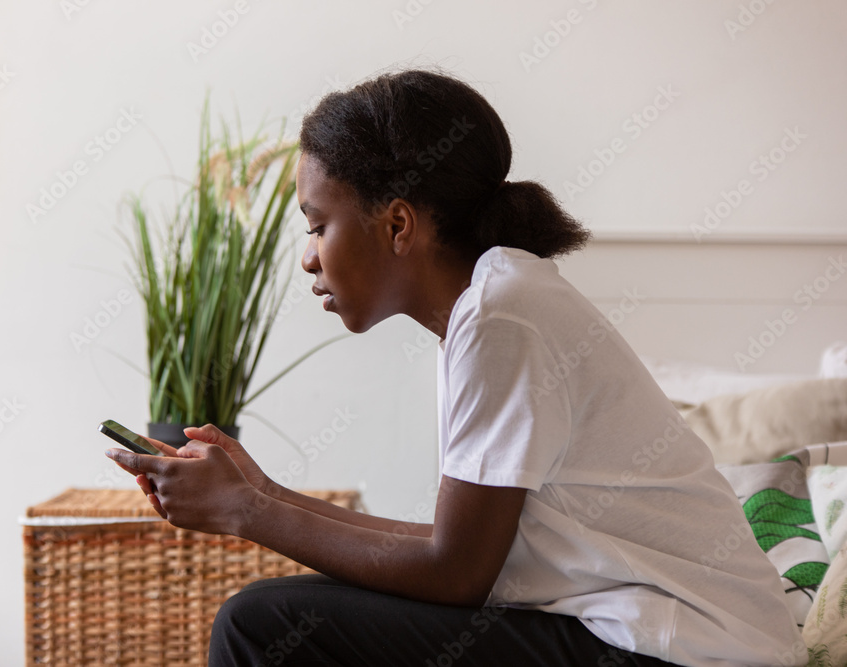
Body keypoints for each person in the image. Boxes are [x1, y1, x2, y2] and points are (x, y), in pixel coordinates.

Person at [106, 69, 805, 666]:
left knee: (261, 625)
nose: (308, 256)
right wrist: (265, 492)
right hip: (658, 641)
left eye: (318, 224)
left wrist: (251, 512)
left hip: (694, 652)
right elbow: (459, 551)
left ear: (399, 224)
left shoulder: (502, 315)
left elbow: (457, 574)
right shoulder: (494, 305)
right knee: (267, 616)